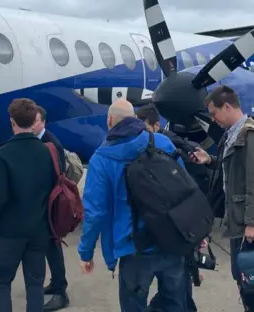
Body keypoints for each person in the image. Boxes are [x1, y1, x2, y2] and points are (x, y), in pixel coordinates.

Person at [77, 98, 188, 312]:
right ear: (135, 119)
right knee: (175, 304)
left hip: (133, 247)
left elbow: (94, 212)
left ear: (109, 120)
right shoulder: (162, 143)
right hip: (171, 238)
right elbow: (184, 188)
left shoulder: (101, 158)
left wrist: (86, 252)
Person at [188, 85, 254, 294]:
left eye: (214, 113)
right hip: (239, 218)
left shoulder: (249, 135)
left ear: (228, 107)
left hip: (252, 222)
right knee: (243, 274)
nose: (213, 119)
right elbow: (232, 167)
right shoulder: (232, 134)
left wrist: (253, 223)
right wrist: (210, 159)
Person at [0, 98, 57, 312]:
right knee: (35, 284)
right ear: (33, 120)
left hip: (10, 233)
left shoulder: (2, 155)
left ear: (12, 122)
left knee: (1, 283)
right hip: (38, 230)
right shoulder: (47, 151)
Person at [136, 103, 202, 312]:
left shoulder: (168, 145)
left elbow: (184, 189)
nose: (141, 134)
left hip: (172, 229)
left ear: (156, 126)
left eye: (144, 128)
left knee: (177, 289)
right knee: (176, 290)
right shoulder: (161, 144)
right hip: (167, 231)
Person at [31, 106, 69, 311]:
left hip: (50, 205)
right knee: (48, 247)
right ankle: (56, 284)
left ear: (43, 122)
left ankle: (60, 291)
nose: (32, 125)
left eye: (35, 121)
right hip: (43, 204)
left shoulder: (51, 143)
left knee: (53, 247)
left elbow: (58, 174)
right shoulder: (39, 142)